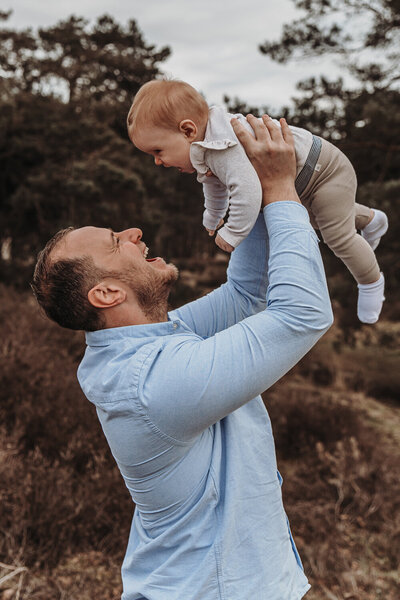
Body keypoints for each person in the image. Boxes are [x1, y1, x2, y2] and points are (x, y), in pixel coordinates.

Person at [32, 115, 333, 600]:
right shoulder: (153, 382)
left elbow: (246, 294)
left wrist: (250, 184)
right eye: (115, 242)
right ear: (107, 292)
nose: (132, 231)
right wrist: (280, 190)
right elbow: (302, 314)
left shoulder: (154, 343)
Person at [127, 79, 388, 325]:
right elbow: (215, 184)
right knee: (325, 217)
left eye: (158, 151)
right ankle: (372, 219)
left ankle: (371, 281)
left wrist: (232, 232)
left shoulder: (225, 148)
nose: (157, 162)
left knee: (336, 235)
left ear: (187, 130)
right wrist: (212, 216)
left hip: (324, 171)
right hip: (301, 179)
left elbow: (248, 192)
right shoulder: (206, 147)